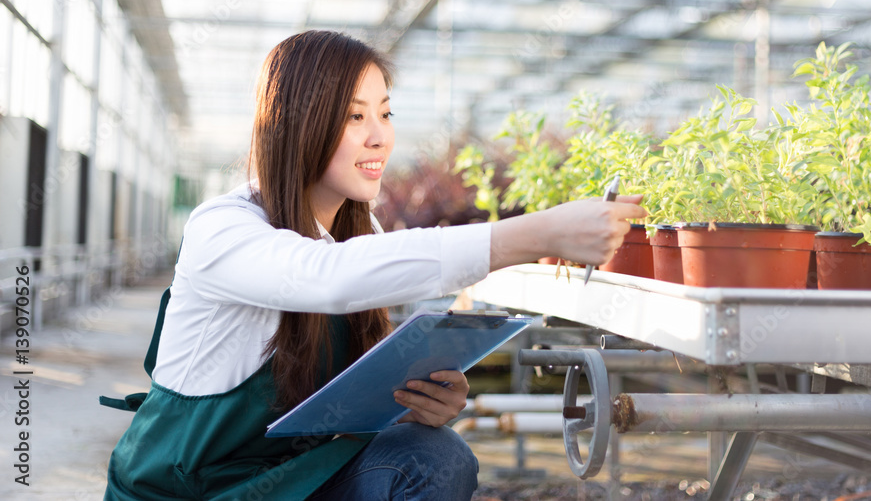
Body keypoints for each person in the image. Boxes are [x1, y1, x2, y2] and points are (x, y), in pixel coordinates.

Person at [102, 30, 646, 500]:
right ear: (297, 124)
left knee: (434, 456)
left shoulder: (361, 235)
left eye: (385, 113)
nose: (378, 135)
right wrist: (537, 233)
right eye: (353, 116)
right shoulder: (221, 228)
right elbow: (326, 277)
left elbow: (338, 379)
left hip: (290, 480)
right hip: (184, 490)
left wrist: (411, 404)